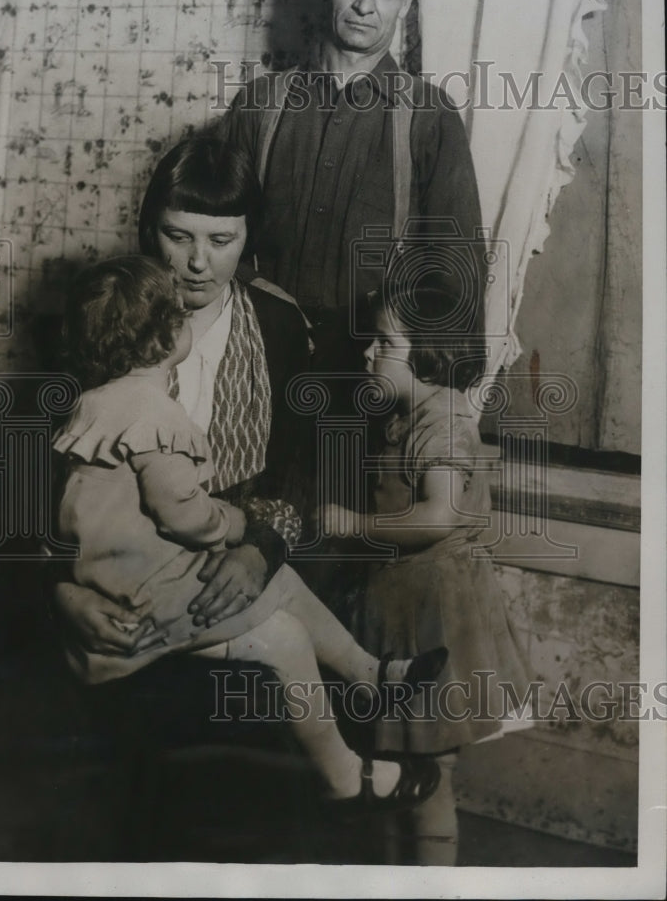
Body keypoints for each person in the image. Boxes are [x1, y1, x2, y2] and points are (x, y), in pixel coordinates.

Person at [53, 253, 448, 803]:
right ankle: (345, 774)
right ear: (169, 337)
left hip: (120, 575)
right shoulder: (156, 417)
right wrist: (232, 522)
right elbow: (185, 516)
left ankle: (372, 675)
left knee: (280, 580)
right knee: (283, 636)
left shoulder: (91, 406)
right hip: (145, 599)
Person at [53, 135, 310, 656]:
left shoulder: (279, 324)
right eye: (179, 236)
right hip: (118, 573)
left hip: (236, 556)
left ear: (248, 238)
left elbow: (300, 468)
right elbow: (55, 480)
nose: (198, 262)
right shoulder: (108, 310)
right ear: (151, 230)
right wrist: (61, 591)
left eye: (221, 241)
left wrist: (260, 553)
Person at [318, 281, 532, 860]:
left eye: (384, 343)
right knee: (392, 763)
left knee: (426, 771)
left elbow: (438, 516)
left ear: (429, 355)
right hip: (401, 601)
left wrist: (351, 524)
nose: (368, 352)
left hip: (433, 612)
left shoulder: (444, 422)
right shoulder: (410, 413)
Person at [221, 0, 485, 359]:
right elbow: (210, 234)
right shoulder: (257, 103)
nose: (365, 5)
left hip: (372, 373)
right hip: (256, 351)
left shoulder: (430, 115)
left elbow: (456, 269)